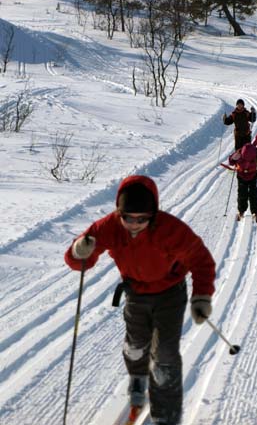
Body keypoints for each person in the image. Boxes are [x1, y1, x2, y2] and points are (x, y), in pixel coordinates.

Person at [64, 175, 216, 425]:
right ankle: (138, 380)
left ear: (152, 214)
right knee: (135, 347)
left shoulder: (170, 229)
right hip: (135, 294)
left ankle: (165, 414)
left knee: (164, 356)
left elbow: (201, 260)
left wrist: (201, 296)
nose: (134, 224)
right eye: (128, 218)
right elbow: (79, 259)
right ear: (119, 212)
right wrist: (78, 251)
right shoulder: (109, 226)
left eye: (142, 219)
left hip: (169, 294)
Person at [229, 143, 257, 222]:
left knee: (253, 193)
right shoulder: (238, 154)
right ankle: (241, 210)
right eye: (245, 158)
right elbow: (231, 162)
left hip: (252, 175)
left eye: (250, 159)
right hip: (241, 175)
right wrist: (233, 159)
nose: (248, 161)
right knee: (242, 193)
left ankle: (255, 211)